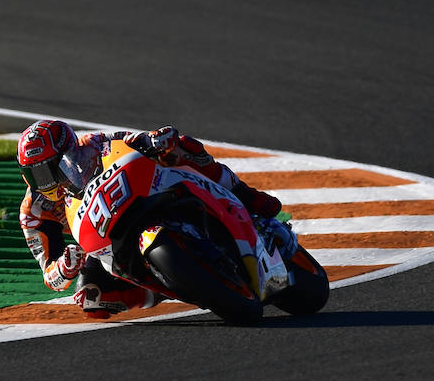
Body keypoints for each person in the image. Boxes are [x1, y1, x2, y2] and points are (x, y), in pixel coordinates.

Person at [17, 119, 283, 319]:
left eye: (49, 169)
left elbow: (132, 139)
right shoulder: (34, 211)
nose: (45, 182)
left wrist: (156, 140)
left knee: (181, 148)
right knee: (92, 300)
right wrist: (64, 266)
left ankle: (247, 196)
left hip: (141, 194)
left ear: (68, 154)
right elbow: (50, 276)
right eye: (35, 175)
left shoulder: (92, 144)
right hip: (101, 241)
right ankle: (164, 287)